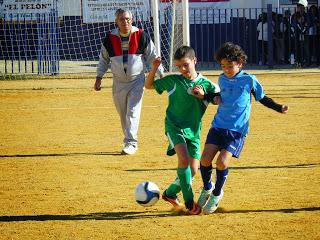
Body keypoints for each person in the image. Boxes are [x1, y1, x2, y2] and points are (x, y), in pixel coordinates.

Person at [192, 42, 289, 215]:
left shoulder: (249, 79)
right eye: (223, 66)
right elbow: (219, 96)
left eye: (230, 66)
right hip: (218, 126)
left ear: (240, 63)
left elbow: (263, 98)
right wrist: (206, 96)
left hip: (236, 130)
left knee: (222, 162)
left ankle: (216, 193)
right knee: (205, 159)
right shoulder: (221, 78)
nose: (226, 69)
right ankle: (207, 188)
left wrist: (279, 107)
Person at [144, 46, 220, 215]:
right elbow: (148, 86)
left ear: (194, 61)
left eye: (186, 65)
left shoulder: (207, 85)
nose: (182, 69)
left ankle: (170, 193)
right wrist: (154, 68)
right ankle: (188, 201)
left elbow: (220, 99)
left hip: (194, 131)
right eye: (179, 66)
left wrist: (204, 96)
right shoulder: (174, 81)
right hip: (174, 126)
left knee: (193, 170)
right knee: (183, 160)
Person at [94, 8, 164, 155]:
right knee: (123, 113)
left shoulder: (141, 35)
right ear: (116, 22)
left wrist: (160, 73)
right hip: (118, 83)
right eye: (121, 19)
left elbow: (152, 56)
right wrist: (99, 77)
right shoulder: (109, 38)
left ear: (131, 20)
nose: (125, 21)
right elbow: (104, 59)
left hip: (137, 81)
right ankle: (129, 140)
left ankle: (131, 143)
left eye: (127, 19)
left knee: (132, 111)